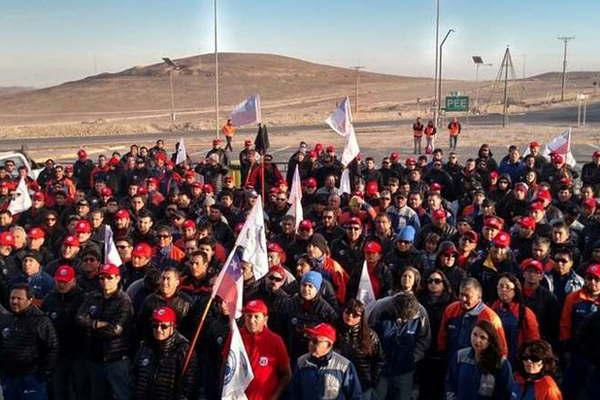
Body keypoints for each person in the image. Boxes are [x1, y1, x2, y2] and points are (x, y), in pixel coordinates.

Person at [75, 263, 134, 400]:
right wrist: (96, 324)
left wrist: (90, 328)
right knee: (97, 394)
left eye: (109, 277)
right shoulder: (92, 296)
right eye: (102, 278)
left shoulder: (124, 301)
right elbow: (79, 318)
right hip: (94, 357)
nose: (105, 281)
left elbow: (116, 329)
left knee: (121, 394)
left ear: (117, 278)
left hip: (116, 358)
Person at [0, 283, 58, 400]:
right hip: (9, 378)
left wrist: (43, 374)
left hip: (31, 378)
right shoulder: (7, 319)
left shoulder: (41, 321)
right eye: (12, 298)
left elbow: (52, 347)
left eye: (19, 298)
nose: (15, 301)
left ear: (30, 300)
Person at [372, 292, 431, 400]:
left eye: (407, 319)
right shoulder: (379, 308)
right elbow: (368, 335)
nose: (404, 321)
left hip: (405, 370)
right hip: (381, 369)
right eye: (401, 318)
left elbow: (424, 339)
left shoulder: (421, 313)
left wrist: (412, 358)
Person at [132, 306, 199, 400]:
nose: (159, 330)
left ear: (173, 326)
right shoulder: (145, 346)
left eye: (164, 326)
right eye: (155, 325)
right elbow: (134, 375)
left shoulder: (183, 349)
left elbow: (189, 385)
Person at [41, 265, 85, 400]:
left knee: (78, 390)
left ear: (73, 281)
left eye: (65, 281)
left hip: (78, 353)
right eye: (59, 281)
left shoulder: (83, 298)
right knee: (58, 389)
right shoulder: (49, 298)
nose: (62, 285)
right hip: (57, 353)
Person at [289, 322, 363, 399]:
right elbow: (294, 393)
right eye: (310, 339)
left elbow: (355, 396)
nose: (311, 344)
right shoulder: (301, 362)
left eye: (315, 341)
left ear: (329, 344)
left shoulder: (344, 366)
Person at [445, 320, 515, 400]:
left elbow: (506, 393)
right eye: (474, 334)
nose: (477, 340)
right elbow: (450, 384)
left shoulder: (501, 364)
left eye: (483, 337)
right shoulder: (460, 356)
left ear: (490, 341)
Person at [438, 278, 508, 358]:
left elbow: (501, 348)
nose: (463, 299)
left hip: (478, 364)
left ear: (479, 297)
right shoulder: (451, 309)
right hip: (452, 361)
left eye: (468, 296)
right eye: (461, 294)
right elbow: (442, 337)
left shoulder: (490, 317)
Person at [240, 300, 292, 400]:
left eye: (256, 316)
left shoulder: (275, 340)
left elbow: (286, 374)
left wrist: (274, 397)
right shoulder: (235, 337)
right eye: (249, 316)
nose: (251, 320)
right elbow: (226, 367)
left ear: (265, 319)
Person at [417, 269, 455, 400]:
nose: (433, 283)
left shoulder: (451, 303)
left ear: (444, 283)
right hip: (424, 351)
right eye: (430, 281)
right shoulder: (420, 301)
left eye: (437, 281)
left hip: (443, 351)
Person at [335, 299, 385, 399]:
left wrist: (372, 380)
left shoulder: (370, 336)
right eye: (347, 312)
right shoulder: (335, 331)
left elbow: (379, 360)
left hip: (363, 383)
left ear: (361, 317)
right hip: (338, 382)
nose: (350, 317)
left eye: (355, 315)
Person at [491, 273, 541, 363]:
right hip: (495, 357)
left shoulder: (525, 312)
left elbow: (534, 340)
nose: (503, 290)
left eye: (507, 287)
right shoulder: (492, 309)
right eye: (500, 286)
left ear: (515, 290)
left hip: (516, 360)